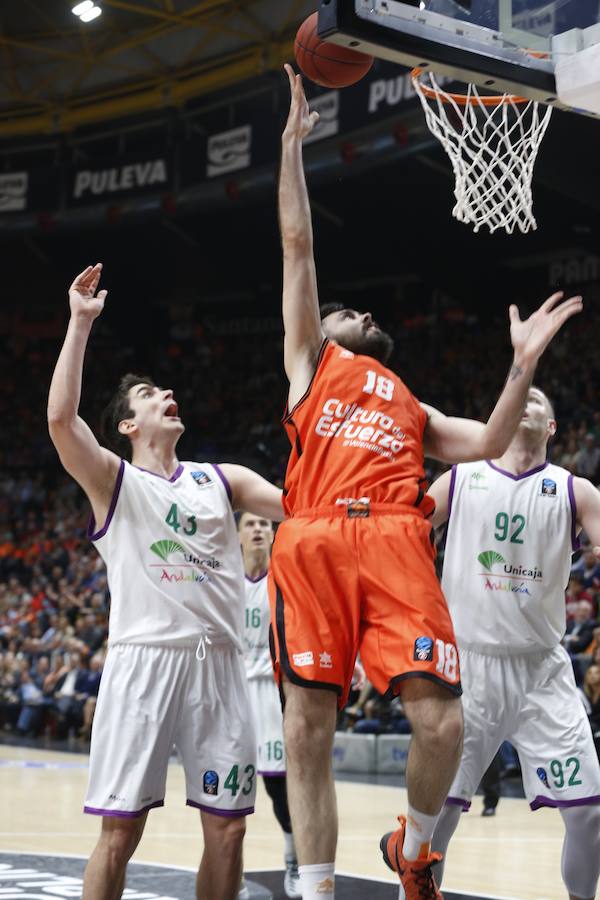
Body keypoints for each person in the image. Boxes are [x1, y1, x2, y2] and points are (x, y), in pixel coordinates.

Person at [272, 64, 583, 900]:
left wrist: (520, 369)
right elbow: (298, 246)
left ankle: (413, 846)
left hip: (396, 540)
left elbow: (484, 441)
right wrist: (292, 152)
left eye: (364, 316)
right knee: (308, 728)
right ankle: (317, 889)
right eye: (351, 312)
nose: (363, 316)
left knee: (443, 724)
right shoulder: (314, 361)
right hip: (317, 537)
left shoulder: (411, 402)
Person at [47, 263, 284, 900]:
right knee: (120, 833)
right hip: (144, 663)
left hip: (220, 666)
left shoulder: (222, 479)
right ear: (128, 426)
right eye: (149, 394)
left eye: (163, 390)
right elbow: (62, 423)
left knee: (229, 832)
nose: (164, 393)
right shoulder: (113, 482)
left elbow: (300, 507)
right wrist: (78, 322)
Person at [429, 386, 600, 900]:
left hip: (541, 669)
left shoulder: (576, 491)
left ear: (551, 427)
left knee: (590, 812)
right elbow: (397, 530)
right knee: (435, 818)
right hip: (468, 668)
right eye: (517, 396)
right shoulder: (460, 478)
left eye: (538, 400)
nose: (525, 400)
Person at [238, 512, 301, 899]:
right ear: (237, 534)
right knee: (229, 791)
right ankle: (231, 872)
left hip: (274, 692)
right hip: (233, 692)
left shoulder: (286, 577)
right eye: (250, 524)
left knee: (279, 787)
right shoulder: (224, 580)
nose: (259, 528)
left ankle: (293, 861)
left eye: (265, 523)